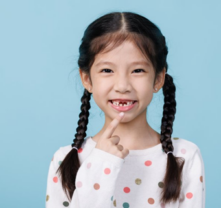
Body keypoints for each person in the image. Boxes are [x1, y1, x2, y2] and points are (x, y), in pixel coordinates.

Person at [45, 11, 205, 208]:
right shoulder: (66, 160)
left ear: (158, 79)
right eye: (107, 70)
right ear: (87, 79)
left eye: (138, 70)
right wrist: (101, 164)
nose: (122, 85)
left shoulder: (184, 157)